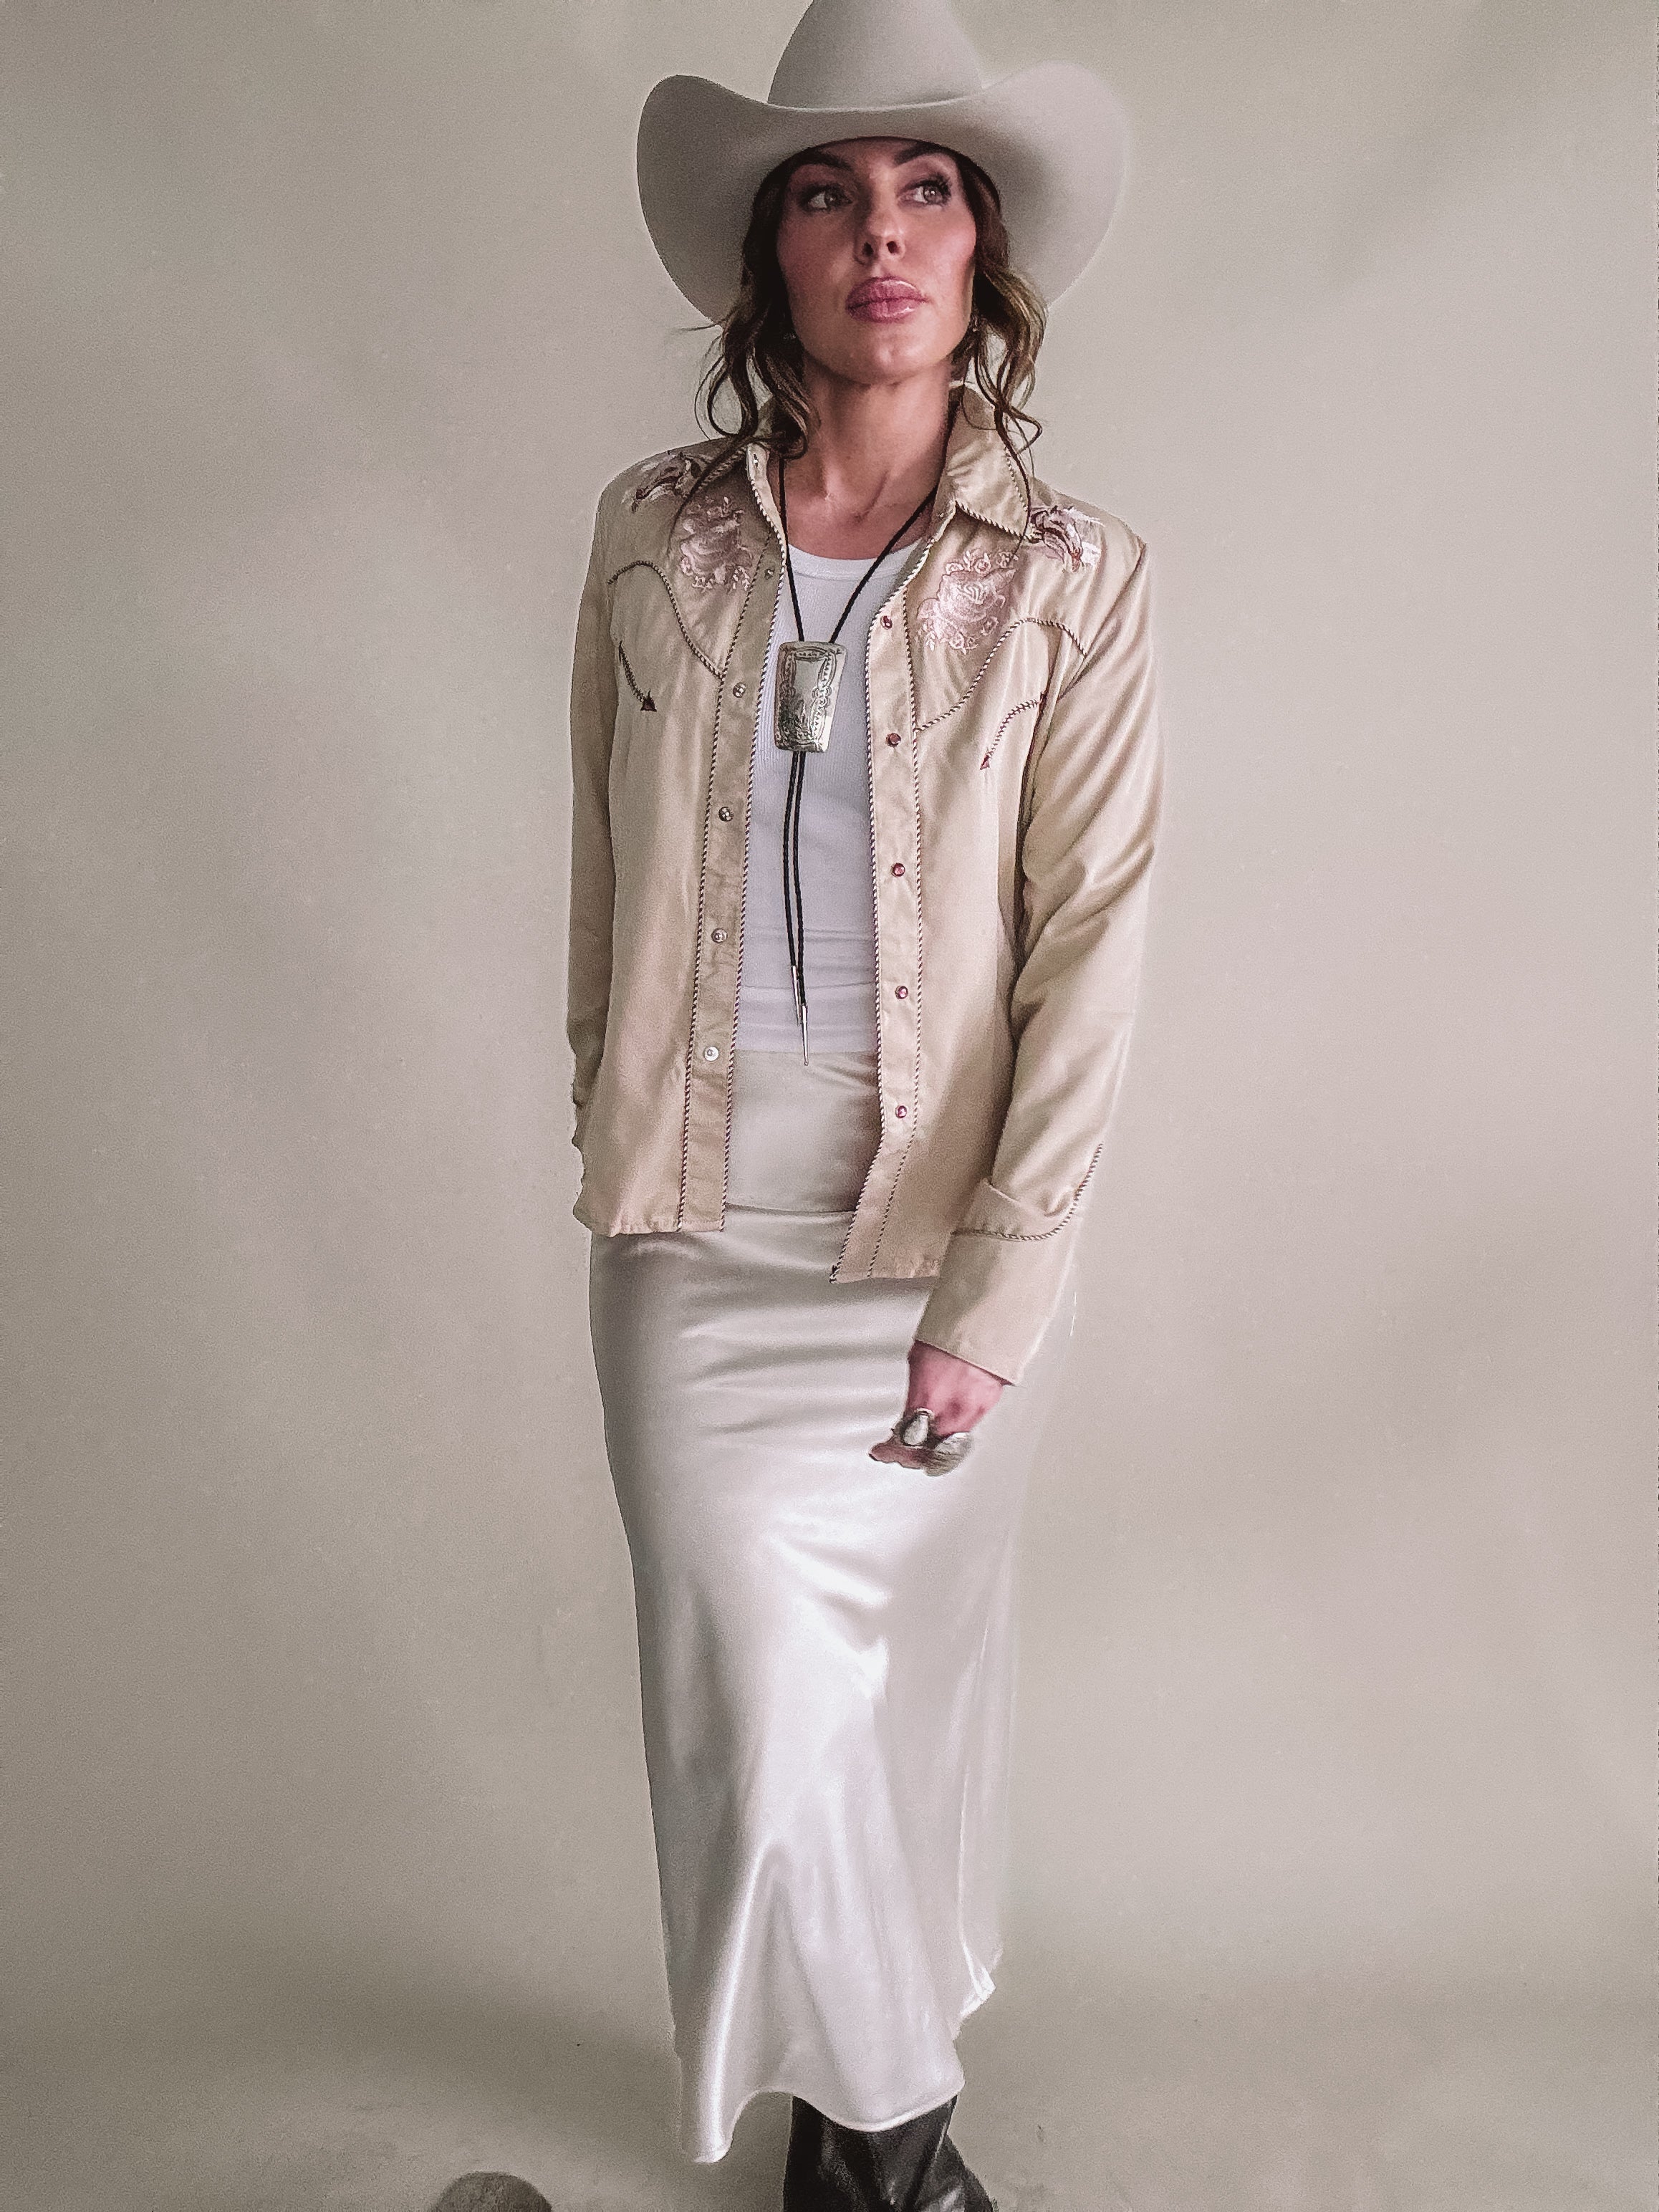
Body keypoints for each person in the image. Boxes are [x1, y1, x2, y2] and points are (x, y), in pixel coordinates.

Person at [566, 2, 1162, 2206]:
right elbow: (600, 871)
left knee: (888, 1709)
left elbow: (1094, 943)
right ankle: (904, 2155)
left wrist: (999, 1284)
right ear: (767, 259)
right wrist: (607, 1139)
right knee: (753, 1684)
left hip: (938, 1225)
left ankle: (858, 2146)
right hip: (694, 1223)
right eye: (825, 191)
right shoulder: (650, 539)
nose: (877, 233)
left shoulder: (1072, 580)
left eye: (925, 187)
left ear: (980, 253)